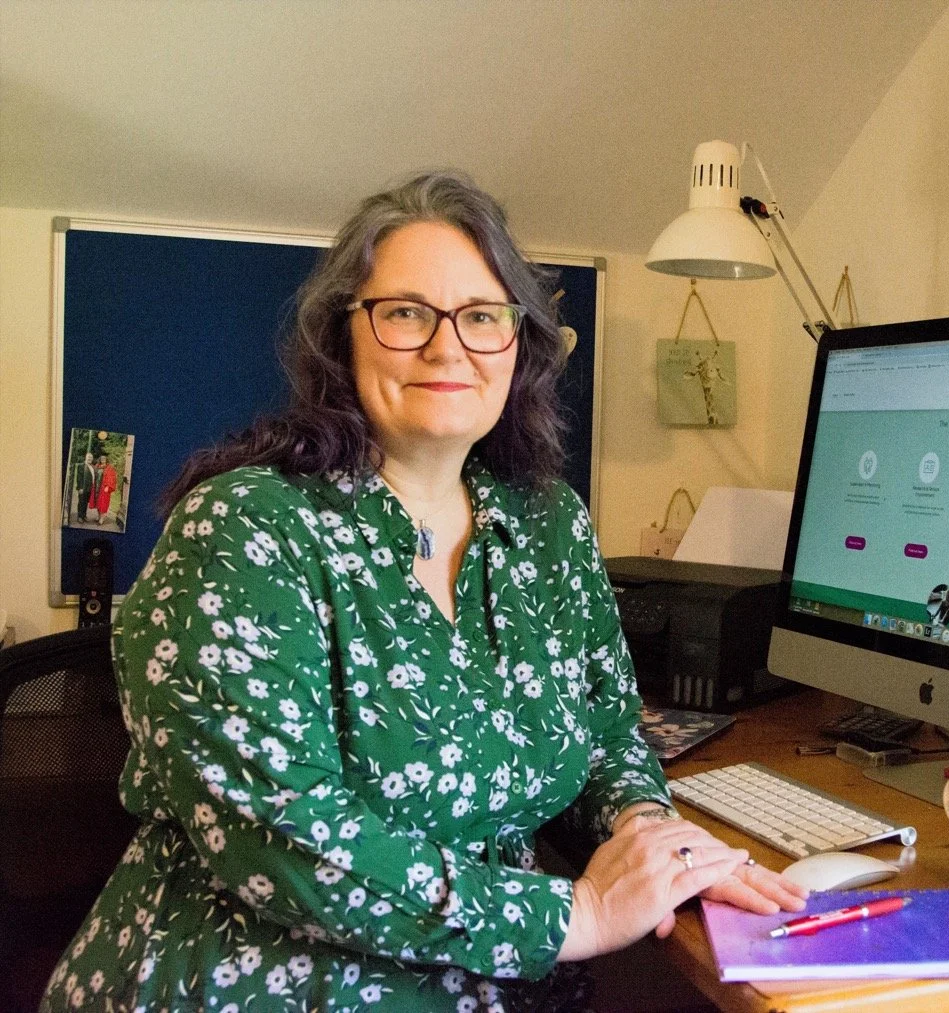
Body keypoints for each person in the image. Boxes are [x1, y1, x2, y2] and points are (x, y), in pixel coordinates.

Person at [42, 172, 806, 1013]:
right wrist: (578, 911)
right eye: (406, 313)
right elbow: (283, 837)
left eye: (483, 316)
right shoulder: (245, 527)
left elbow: (602, 733)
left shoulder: (549, 524)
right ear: (343, 337)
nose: (450, 348)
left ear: (520, 343)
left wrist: (650, 838)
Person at [94, 453, 118, 524]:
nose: (103, 460)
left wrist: (108, 486)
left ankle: (102, 518)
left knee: (103, 503)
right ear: (100, 460)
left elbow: (112, 478)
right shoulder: (97, 466)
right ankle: (98, 516)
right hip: (97, 487)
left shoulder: (109, 468)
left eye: (104, 459)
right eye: (101, 459)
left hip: (104, 488)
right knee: (97, 502)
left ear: (106, 460)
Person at [74, 451, 95, 523]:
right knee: (81, 502)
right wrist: (80, 488)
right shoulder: (81, 466)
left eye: (91, 457)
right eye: (89, 457)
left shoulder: (92, 466)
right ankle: (79, 516)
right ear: (85, 457)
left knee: (86, 503)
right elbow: (79, 478)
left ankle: (84, 516)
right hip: (83, 488)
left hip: (90, 488)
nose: (90, 458)